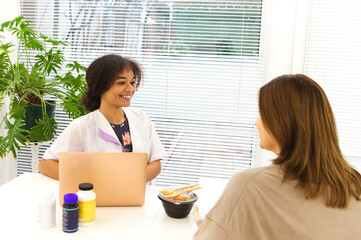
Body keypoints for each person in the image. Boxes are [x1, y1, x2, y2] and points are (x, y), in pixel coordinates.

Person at [192, 74, 361, 239]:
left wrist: (212, 225)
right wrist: (213, 223)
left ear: (281, 121)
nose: (256, 122)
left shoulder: (250, 185)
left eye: (261, 113)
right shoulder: (355, 184)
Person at [38, 54, 166, 181]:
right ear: (101, 86)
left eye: (132, 82)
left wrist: (129, 181)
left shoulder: (141, 118)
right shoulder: (82, 126)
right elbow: (46, 164)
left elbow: (155, 163)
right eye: (121, 82)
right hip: (98, 198)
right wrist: (88, 180)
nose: (130, 89)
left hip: (139, 198)